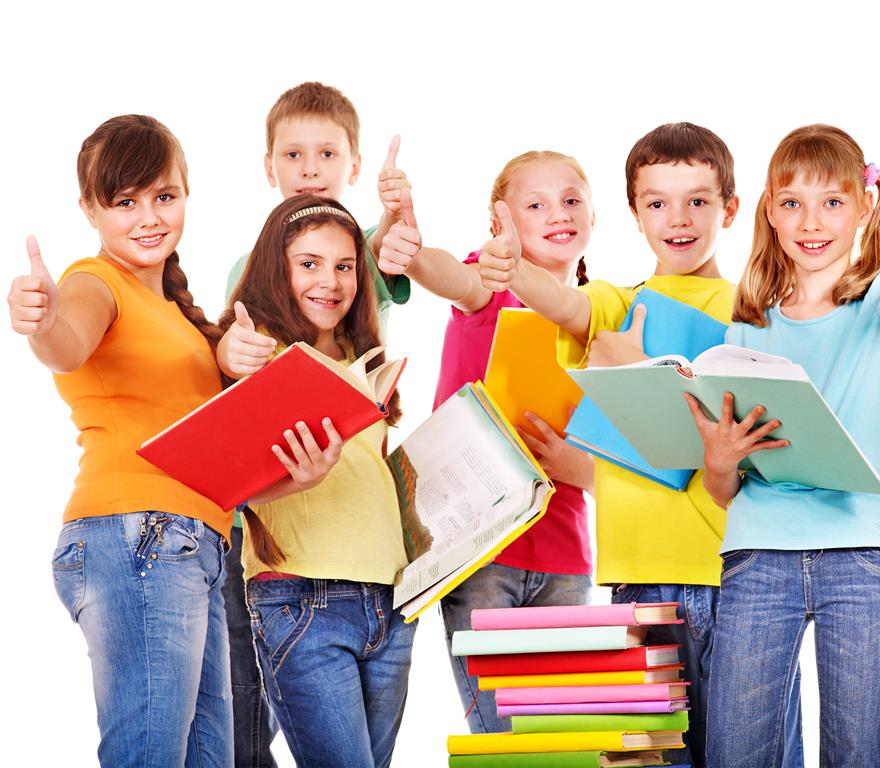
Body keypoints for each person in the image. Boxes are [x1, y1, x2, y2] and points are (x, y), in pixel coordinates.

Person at [477, 123, 802, 768]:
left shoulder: (763, 312)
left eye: (698, 201)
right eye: (657, 202)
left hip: (744, 580)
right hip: (637, 585)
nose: (677, 219)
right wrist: (515, 271)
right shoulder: (619, 303)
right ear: (634, 212)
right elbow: (567, 307)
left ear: (731, 209)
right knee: (654, 759)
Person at [691, 125, 880, 768]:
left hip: (857, 557)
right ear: (770, 212)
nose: (811, 221)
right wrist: (718, 461)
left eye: (832, 202)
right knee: (737, 750)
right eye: (792, 202)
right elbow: (725, 488)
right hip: (757, 556)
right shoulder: (747, 324)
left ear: (863, 207)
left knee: (856, 752)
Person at [7, 114, 233, 766]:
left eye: (164, 196)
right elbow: (67, 340)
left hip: (194, 547)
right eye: (124, 202)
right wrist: (42, 322)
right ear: (89, 209)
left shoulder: (173, 312)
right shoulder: (93, 282)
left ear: (186, 194)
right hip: (138, 537)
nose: (148, 217)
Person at [221, 80, 412, 767]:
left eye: (341, 267)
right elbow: (224, 473)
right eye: (307, 265)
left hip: (389, 598)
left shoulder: (363, 352)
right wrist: (227, 351)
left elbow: (391, 256)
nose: (328, 280)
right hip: (301, 594)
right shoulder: (262, 341)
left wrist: (394, 221)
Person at [379, 150, 596, 732]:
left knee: (560, 741)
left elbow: (621, 457)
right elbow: (454, 277)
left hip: (565, 558)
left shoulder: (601, 319)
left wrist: (580, 467)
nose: (559, 213)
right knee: (502, 739)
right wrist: (414, 251)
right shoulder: (491, 285)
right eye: (536, 204)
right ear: (501, 223)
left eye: (572, 199)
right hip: (478, 554)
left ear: (594, 217)